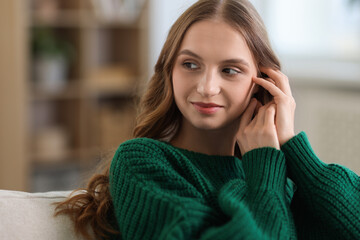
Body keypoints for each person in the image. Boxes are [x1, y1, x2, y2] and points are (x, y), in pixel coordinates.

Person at [55, 0, 360, 239]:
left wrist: (293, 148)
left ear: (264, 81)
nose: (206, 87)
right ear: (169, 71)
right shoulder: (143, 162)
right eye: (190, 64)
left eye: (229, 70)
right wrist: (264, 170)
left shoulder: (272, 172)